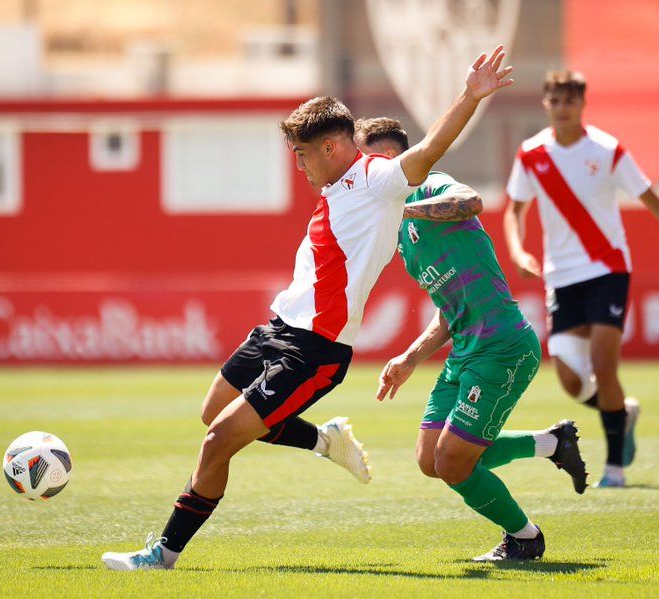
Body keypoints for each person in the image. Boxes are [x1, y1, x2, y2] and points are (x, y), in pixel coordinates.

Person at [101, 45, 515, 570]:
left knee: (217, 441)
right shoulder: (334, 183)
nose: (297, 165)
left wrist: (469, 94)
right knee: (213, 414)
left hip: (315, 349)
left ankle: (162, 554)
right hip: (276, 329)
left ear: (333, 146)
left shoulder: (377, 179)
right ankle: (325, 439)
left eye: (302, 154)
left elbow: (430, 148)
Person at [356, 117, 587, 563]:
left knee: (454, 463)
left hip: (502, 345)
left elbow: (471, 199)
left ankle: (525, 538)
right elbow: (448, 311)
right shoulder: (402, 239)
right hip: (465, 350)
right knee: (431, 460)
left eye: (374, 161)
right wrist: (409, 357)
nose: (369, 173)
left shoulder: (428, 188)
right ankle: (552, 444)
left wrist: (404, 207)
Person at [503, 70, 659, 488]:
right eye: (555, 100)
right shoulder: (530, 154)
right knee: (570, 381)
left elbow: (652, 201)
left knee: (603, 362)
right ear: (546, 104)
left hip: (607, 267)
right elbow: (514, 211)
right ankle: (623, 413)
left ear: (582, 104)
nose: (562, 108)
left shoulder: (608, 150)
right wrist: (517, 251)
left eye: (570, 100)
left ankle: (614, 468)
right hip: (561, 275)